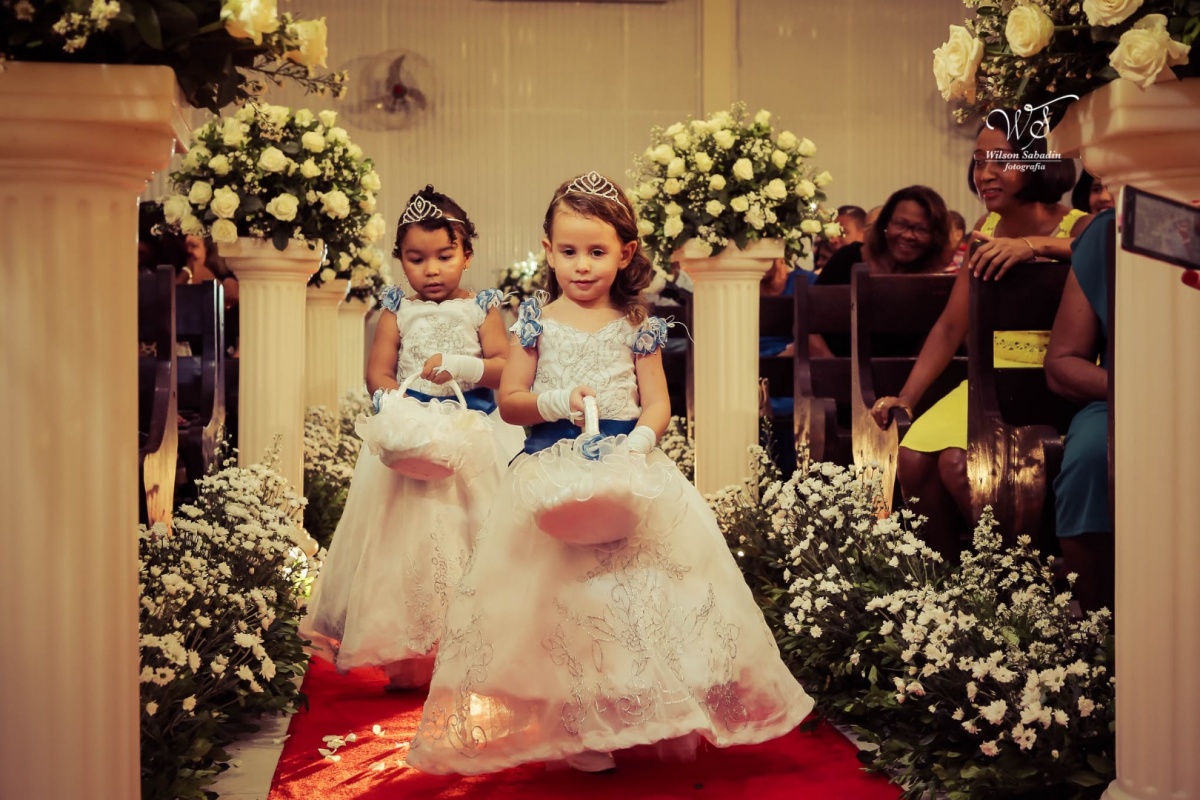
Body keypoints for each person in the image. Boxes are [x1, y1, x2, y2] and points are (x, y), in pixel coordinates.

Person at [407, 172, 812, 775]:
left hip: (627, 470)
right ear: (548, 251)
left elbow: (658, 402)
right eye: (569, 251)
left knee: (636, 591)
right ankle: (575, 721)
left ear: (625, 253)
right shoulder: (535, 321)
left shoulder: (637, 323)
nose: (582, 265)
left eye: (597, 252)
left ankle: (636, 707)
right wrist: (555, 402)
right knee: (563, 597)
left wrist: (640, 444)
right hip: (552, 475)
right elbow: (511, 401)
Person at [301, 186, 524, 690]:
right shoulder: (398, 309)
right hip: (412, 438)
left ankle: (479, 651)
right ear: (400, 259)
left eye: (445, 256)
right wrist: (393, 408)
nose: (431, 270)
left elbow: (504, 365)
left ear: (467, 254)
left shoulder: (481, 308)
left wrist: (462, 367)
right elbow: (378, 372)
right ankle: (410, 654)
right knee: (407, 541)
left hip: (471, 434)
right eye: (416, 259)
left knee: (474, 532)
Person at [870, 117, 1092, 560]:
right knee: (911, 458)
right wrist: (907, 397)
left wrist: (1033, 246)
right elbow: (951, 326)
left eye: (1000, 161)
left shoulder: (1079, 226)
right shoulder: (985, 228)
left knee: (959, 465)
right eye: (978, 161)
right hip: (991, 380)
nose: (985, 173)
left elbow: (1096, 248)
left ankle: (1011, 576)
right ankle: (945, 579)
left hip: (1054, 381)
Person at [1045, 209, 1115, 614]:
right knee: (1090, 456)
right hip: (1123, 394)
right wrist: (1141, 392)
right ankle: (1100, 619)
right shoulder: (1108, 232)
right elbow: (1063, 361)